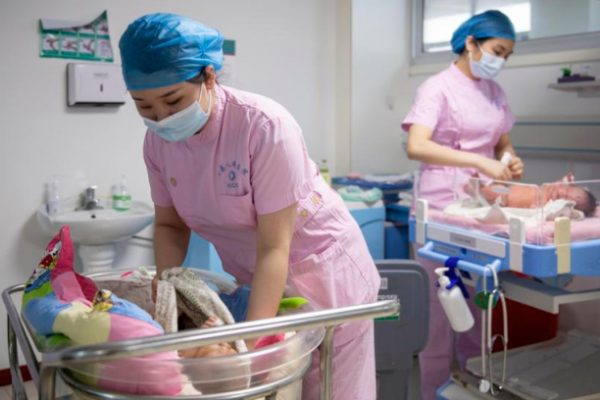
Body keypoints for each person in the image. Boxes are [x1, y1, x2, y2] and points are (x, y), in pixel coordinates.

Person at [119, 13, 380, 399]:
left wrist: (248, 349)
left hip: (323, 274)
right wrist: (169, 297)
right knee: (278, 388)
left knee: (327, 389)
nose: (162, 119)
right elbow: (170, 226)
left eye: (173, 101)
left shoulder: (264, 127)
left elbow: (275, 246)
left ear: (209, 77)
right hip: (260, 279)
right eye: (144, 107)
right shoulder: (157, 144)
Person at [401, 10, 522, 400]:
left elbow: (502, 143)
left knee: (481, 305)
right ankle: (433, 390)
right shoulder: (437, 88)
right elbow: (416, 145)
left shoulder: (494, 93)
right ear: (471, 43)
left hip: (480, 208)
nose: (500, 61)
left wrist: (509, 160)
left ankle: (476, 385)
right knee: (440, 307)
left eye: (506, 55)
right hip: (439, 208)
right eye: (496, 51)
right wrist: (478, 161)